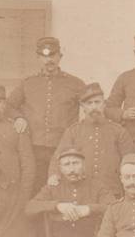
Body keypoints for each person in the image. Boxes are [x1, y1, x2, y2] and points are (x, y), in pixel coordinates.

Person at [6, 37, 86, 190]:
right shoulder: (28, 83)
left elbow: (92, 104)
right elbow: (9, 105)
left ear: (60, 57)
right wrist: (18, 117)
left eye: (52, 55)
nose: (49, 60)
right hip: (34, 147)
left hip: (64, 147)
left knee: (62, 188)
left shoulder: (75, 83)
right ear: (38, 58)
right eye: (44, 56)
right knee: (35, 187)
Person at [50, 82, 135, 197]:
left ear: (104, 104)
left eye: (97, 102)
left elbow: (131, 160)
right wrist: (54, 175)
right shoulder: (73, 131)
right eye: (89, 103)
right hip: (82, 191)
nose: (94, 107)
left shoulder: (118, 131)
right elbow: (58, 157)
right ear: (83, 107)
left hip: (111, 190)